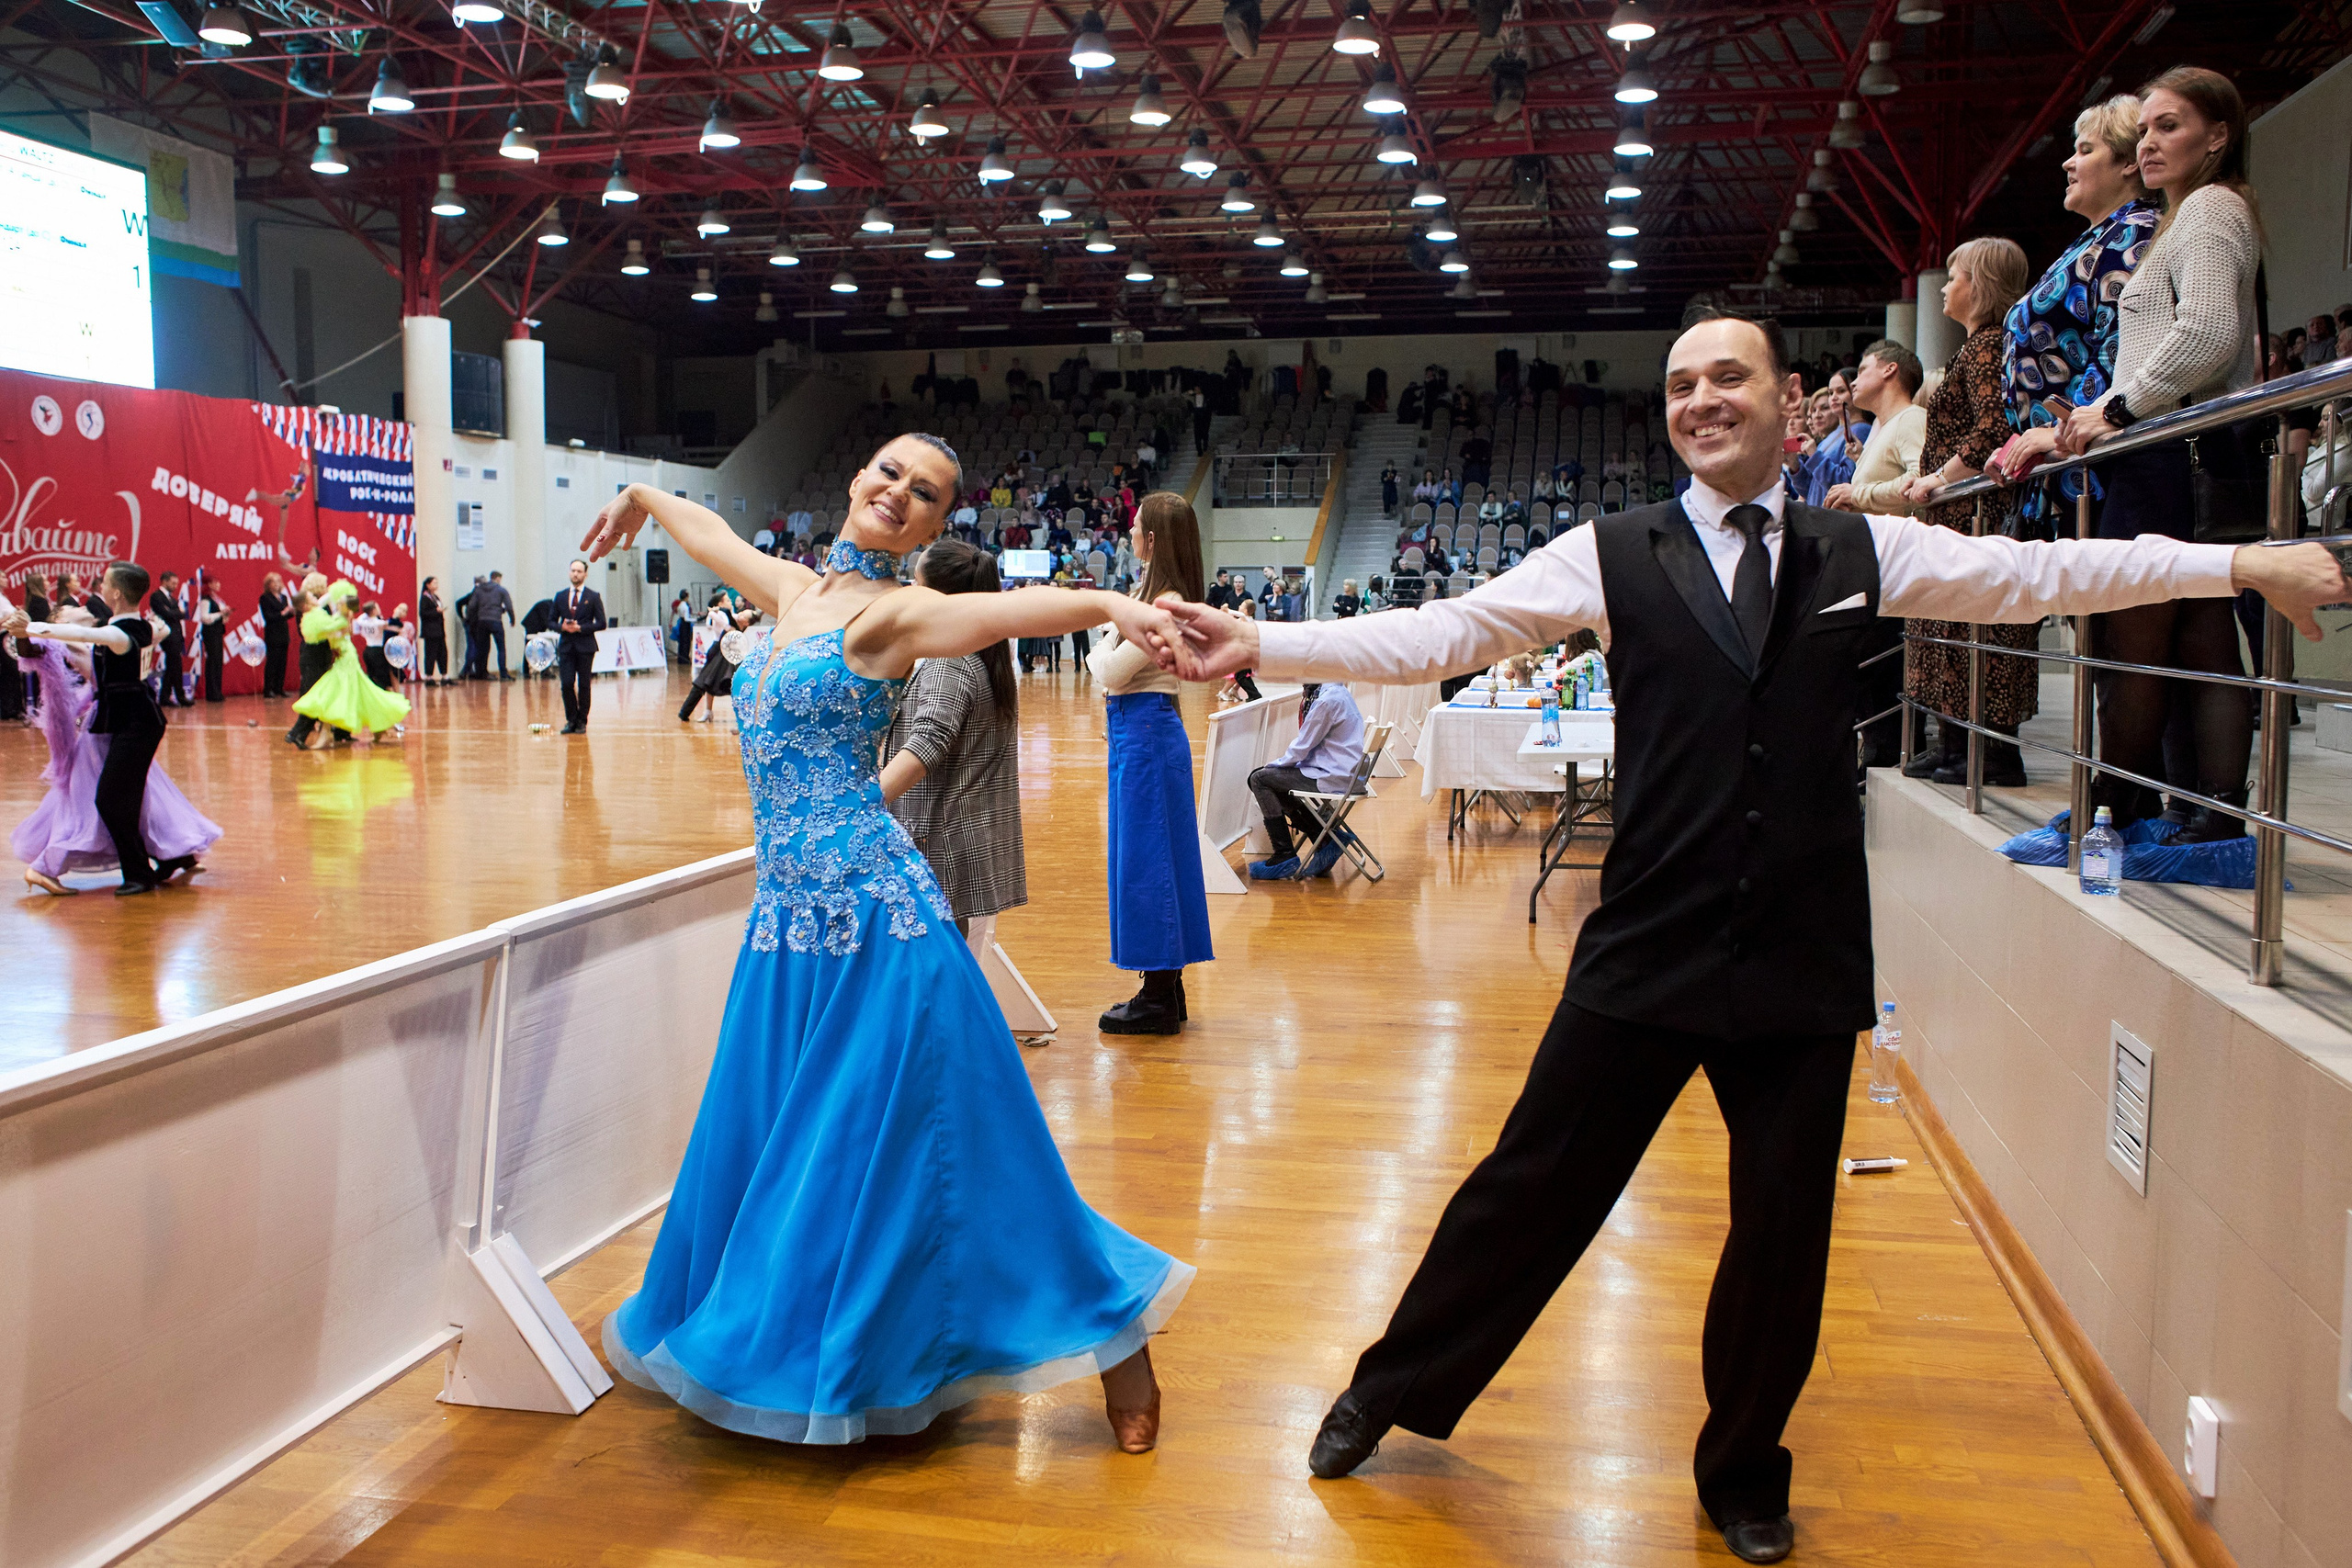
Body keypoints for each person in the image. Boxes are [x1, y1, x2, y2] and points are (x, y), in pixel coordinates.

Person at [1157, 310, 2348, 1567]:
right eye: (1681, 383)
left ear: (1789, 400)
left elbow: (2043, 579)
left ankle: (1743, 1470)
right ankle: (1388, 1384)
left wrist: (2242, 566)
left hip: (1803, 943)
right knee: (1528, 1187)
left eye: (1728, 376)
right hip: (1646, 939)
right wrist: (1268, 640)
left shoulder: (1857, 542)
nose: (1702, 398)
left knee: (1781, 1233)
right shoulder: (1606, 552)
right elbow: (1449, 630)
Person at [579, 432, 1192, 1455]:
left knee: (967, 1157)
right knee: (798, 1156)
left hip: (878, 927)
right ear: (857, 476)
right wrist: (644, 491)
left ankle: (1115, 1338)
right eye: (887, 473)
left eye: (926, 493)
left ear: (940, 522)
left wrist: (1105, 604)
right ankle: (827, 1344)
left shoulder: (894, 613)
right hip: (787, 930)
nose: (897, 493)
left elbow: (992, 613)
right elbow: (713, 532)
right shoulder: (794, 591)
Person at [2054, 67, 2265, 840]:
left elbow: (2207, 334)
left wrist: (2115, 407)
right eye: (2143, 128)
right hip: (2172, 448)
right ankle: (2194, 808)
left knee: (2139, 640)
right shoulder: (2186, 217)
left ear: (2218, 137)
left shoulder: (2209, 208)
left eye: (2168, 126)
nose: (2147, 142)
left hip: (2177, 452)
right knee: (2196, 639)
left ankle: (2124, 804)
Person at [1985, 95, 2161, 540]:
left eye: (2085, 150)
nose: (2068, 163)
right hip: (2067, 462)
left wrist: (2057, 432)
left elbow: (2121, 347)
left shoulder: (2134, 233)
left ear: (2127, 164)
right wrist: (2023, 441)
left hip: (2099, 464)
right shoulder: (2099, 237)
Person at [1900, 237, 2037, 786]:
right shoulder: (1976, 345)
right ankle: (1956, 743)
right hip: (1959, 514)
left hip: (1973, 514)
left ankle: (1992, 752)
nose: (1944, 289)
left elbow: (1994, 429)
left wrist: (1939, 477)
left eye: (1953, 277)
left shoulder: (1986, 347)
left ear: (1978, 286)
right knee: (1949, 633)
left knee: (1972, 630)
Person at [1087, 491, 1213, 1037]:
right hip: (1142, 733)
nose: (1130, 532)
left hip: (1144, 733)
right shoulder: (1157, 596)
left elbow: (1111, 672)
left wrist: (1096, 641)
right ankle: (1164, 985)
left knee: (1148, 863)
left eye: (1136, 526)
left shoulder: (1163, 603)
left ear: (1153, 538)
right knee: (1154, 858)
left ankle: (1158, 996)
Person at [3, 563, 205, 895]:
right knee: (128, 797)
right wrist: (28, 631)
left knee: (114, 799)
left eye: (104, 585)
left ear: (115, 593)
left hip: (132, 722)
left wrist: (32, 626)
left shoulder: (116, 632)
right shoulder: (127, 626)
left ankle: (143, 870)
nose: (82, 604)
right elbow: (61, 643)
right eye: (70, 609)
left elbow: (84, 635)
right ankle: (162, 859)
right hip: (125, 722)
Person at [879, 540, 1026, 932]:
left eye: (915, 583)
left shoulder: (951, 661)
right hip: (948, 840)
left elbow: (928, 741)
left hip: (934, 841)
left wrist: (867, 801)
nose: (908, 592)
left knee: (934, 968)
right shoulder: (974, 652)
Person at [1245, 680, 1365, 879]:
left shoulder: (1327, 700)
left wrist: (1274, 765)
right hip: (1342, 772)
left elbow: (1302, 747)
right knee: (1266, 778)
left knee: (1259, 779)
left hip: (1332, 775)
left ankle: (1285, 855)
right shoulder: (1338, 692)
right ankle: (1323, 837)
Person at [292, 581, 411, 747]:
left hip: (346, 657)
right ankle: (378, 725)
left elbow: (329, 621)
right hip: (343, 656)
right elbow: (322, 607)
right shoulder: (334, 616)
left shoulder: (341, 618)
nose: (337, 602)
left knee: (333, 693)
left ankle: (327, 733)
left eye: (341, 601)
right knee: (358, 693)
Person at [1828, 341, 1928, 515]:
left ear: (1889, 370)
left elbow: (1920, 480)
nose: (1853, 383)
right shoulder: (1888, 426)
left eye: (1862, 371)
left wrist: (1856, 494)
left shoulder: (1910, 417)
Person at [681, 592, 755, 724]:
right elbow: (712, 616)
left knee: (716, 682)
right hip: (717, 651)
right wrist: (723, 621)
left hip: (728, 654)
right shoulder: (722, 614)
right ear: (720, 603)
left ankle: (740, 714)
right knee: (706, 682)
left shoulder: (733, 616)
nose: (730, 602)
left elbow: (738, 618)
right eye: (727, 600)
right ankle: (698, 712)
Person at [554, 558, 607, 734]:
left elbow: (601, 623)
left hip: (585, 646)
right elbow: (550, 620)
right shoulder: (560, 596)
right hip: (566, 646)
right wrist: (562, 627)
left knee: (584, 684)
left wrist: (581, 628)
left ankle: (582, 720)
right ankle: (571, 719)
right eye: (573, 571)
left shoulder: (593, 597)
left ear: (585, 574)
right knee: (567, 684)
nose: (575, 574)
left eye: (579, 571)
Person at [150, 571, 189, 707]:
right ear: (164, 581)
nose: (175, 586)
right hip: (167, 635)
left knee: (174, 666)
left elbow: (176, 614)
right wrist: (177, 613)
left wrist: (175, 613)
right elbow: (166, 613)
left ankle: (166, 696)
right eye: (173, 583)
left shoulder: (172, 599)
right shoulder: (156, 596)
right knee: (174, 665)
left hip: (176, 635)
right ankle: (178, 696)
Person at [472, 570, 516, 680]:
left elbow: (472, 606)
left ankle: (481, 673)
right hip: (495, 621)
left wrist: (472, 619)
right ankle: (503, 673)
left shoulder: (479, 590)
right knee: (501, 648)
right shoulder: (501, 590)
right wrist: (512, 619)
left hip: (482, 621)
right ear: (497, 579)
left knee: (483, 648)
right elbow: (509, 606)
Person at [259, 571, 293, 696]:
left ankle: (279, 688)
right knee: (272, 662)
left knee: (282, 662)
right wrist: (283, 613)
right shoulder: (265, 598)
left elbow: (287, 615)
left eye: (279, 581)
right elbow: (268, 616)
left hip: (283, 633)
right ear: (268, 584)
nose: (277, 584)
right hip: (273, 634)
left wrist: (291, 611)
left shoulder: (283, 597)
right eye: (274, 582)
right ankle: (268, 689)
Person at [197, 580, 228, 702]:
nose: (219, 584)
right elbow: (205, 618)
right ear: (209, 584)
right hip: (210, 633)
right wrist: (220, 614)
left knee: (218, 662)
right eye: (215, 582)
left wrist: (225, 615)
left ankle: (217, 692)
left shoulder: (217, 599)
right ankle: (212, 693)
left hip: (218, 631)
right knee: (213, 661)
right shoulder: (206, 600)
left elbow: (220, 615)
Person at [417, 576, 449, 684]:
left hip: (439, 630)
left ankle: (444, 675)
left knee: (442, 653)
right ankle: (429, 677)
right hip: (431, 631)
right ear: (428, 585)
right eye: (434, 583)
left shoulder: (435, 597)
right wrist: (436, 612)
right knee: (431, 653)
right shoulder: (425, 598)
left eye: (437, 583)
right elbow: (423, 613)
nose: (436, 585)